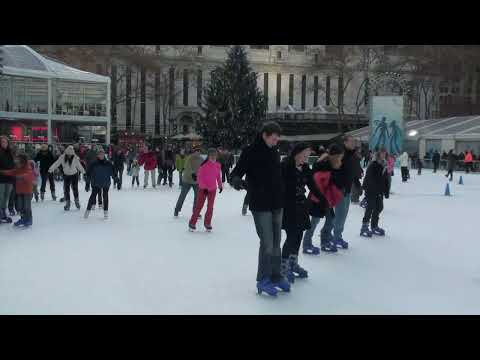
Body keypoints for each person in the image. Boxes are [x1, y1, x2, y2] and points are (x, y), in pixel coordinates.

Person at [230, 121, 288, 297]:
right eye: (273, 138)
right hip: (260, 204)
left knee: (277, 243)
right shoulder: (250, 151)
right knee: (267, 243)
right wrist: (238, 182)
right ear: (264, 135)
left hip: (277, 203)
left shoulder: (274, 152)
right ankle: (263, 279)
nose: (276, 141)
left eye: (277, 139)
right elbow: (235, 173)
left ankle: (276, 276)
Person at [279, 143, 317, 284]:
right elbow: (278, 186)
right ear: (297, 153)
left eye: (308, 155)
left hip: (301, 207)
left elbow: (313, 186)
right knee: (291, 237)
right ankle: (283, 267)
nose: (307, 158)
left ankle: (293, 264)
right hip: (288, 207)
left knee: (299, 236)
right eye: (305, 155)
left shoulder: (306, 168)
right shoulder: (285, 167)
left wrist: (324, 201)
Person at [302, 144, 344, 255]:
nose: (341, 159)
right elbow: (317, 182)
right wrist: (321, 198)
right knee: (314, 221)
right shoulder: (323, 165)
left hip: (326, 199)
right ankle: (306, 243)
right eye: (339, 157)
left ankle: (324, 241)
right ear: (334, 156)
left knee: (331, 220)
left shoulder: (333, 166)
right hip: (318, 199)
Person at [320, 135, 357, 250]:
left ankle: (337, 235)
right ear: (345, 142)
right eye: (352, 141)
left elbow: (351, 171)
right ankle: (335, 236)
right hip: (340, 189)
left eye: (354, 142)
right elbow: (335, 171)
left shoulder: (351, 155)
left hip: (347, 188)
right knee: (339, 214)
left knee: (343, 214)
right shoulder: (341, 154)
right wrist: (339, 185)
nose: (354, 143)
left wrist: (356, 181)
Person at [188, 148, 223, 232]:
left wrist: (220, 185)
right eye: (211, 155)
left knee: (210, 207)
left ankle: (207, 223)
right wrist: (204, 188)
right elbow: (199, 178)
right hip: (203, 189)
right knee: (199, 206)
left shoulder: (218, 165)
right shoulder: (204, 165)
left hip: (212, 189)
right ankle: (192, 223)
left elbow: (218, 176)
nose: (213, 157)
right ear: (208, 156)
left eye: (215, 155)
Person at [360, 147, 390, 237]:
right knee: (370, 208)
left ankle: (374, 226)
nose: (383, 155)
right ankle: (364, 227)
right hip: (371, 190)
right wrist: (367, 189)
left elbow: (385, 179)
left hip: (379, 191)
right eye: (382, 153)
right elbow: (368, 177)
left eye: (385, 153)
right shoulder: (373, 164)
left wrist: (386, 190)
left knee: (379, 207)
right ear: (378, 154)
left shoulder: (384, 164)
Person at [0, 152, 34, 227]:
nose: (16, 161)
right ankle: (23, 218)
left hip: (27, 191)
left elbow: (29, 175)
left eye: (18, 159)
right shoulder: (17, 168)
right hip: (19, 191)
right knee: (20, 206)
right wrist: (2, 172)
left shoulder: (28, 166)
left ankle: (29, 219)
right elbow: (12, 172)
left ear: (22, 160)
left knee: (27, 206)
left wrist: (22, 176)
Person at [48, 145, 85, 211]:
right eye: (68, 154)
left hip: (74, 175)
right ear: (66, 153)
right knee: (66, 189)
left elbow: (79, 165)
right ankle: (68, 203)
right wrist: (50, 169)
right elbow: (56, 163)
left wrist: (84, 172)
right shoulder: (62, 157)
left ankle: (77, 201)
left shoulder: (75, 158)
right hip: (66, 175)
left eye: (71, 154)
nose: (69, 156)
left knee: (75, 189)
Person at [84, 148, 117, 220]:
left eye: (102, 154)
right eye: (100, 154)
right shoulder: (93, 163)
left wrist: (116, 179)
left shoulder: (108, 163)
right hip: (96, 183)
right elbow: (88, 174)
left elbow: (113, 173)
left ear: (104, 154)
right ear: (98, 155)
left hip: (106, 183)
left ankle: (105, 212)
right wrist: (87, 183)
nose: (101, 155)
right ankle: (87, 211)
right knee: (92, 196)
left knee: (105, 197)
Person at [174, 146, 203, 218]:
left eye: (199, 151)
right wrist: (192, 173)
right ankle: (177, 210)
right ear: (194, 151)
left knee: (197, 197)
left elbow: (203, 168)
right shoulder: (189, 158)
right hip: (187, 180)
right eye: (196, 151)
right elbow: (187, 168)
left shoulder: (201, 159)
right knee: (182, 196)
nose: (198, 152)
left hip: (196, 182)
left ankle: (196, 212)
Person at [0, 135, 15, 224]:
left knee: (6, 197)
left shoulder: (10, 152)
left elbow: (13, 163)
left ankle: (3, 213)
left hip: (9, 178)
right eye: (2, 142)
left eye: (5, 142)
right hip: (1, 178)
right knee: (0, 196)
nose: (4, 143)